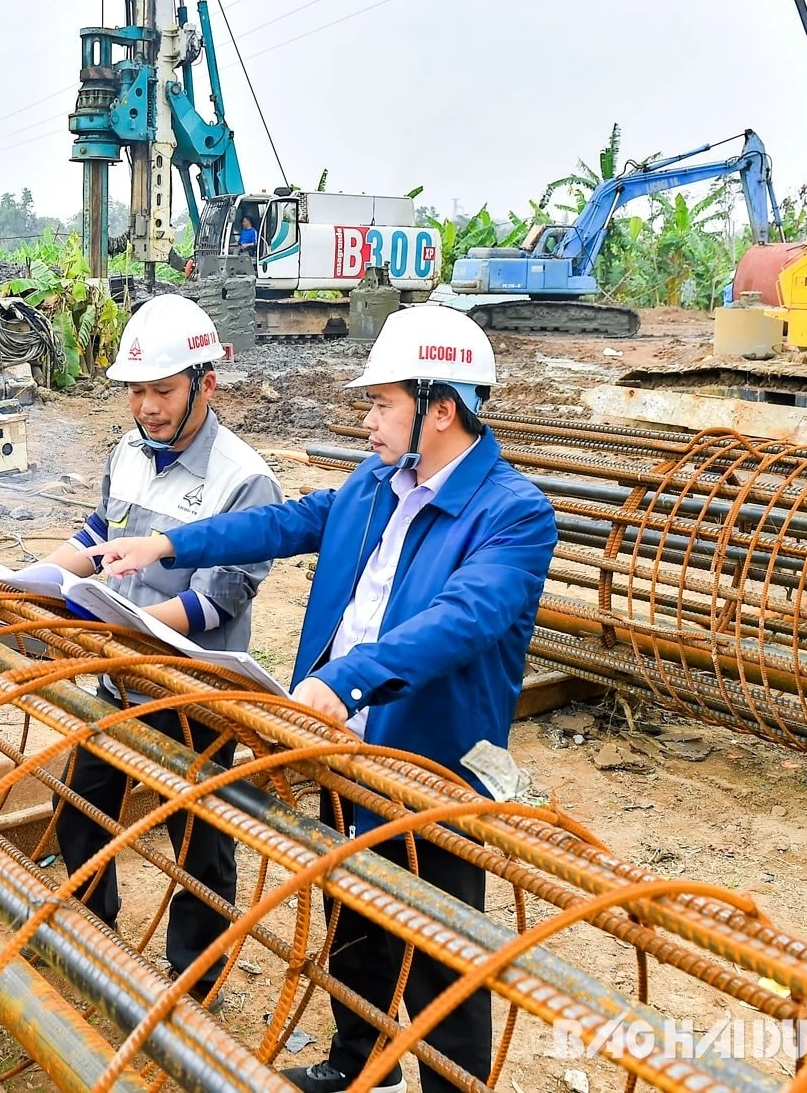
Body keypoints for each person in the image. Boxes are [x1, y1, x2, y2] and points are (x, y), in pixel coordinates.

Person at [86, 304, 557, 1093]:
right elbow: (282, 523)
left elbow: (462, 619)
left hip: (431, 767)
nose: (368, 420)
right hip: (342, 746)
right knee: (353, 918)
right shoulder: (376, 483)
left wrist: (343, 679)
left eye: (382, 404)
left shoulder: (513, 513)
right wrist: (166, 544)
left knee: (444, 954)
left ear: (440, 408)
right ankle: (358, 1063)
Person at [40, 294, 283, 1002]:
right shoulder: (129, 452)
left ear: (206, 384)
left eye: (162, 390)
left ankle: (193, 984)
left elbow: (219, 599)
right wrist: (34, 579)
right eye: (135, 391)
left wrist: (129, 630)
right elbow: (98, 535)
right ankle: (91, 941)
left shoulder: (244, 477)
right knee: (82, 808)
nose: (146, 406)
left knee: (198, 841)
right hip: (120, 678)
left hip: (192, 693)